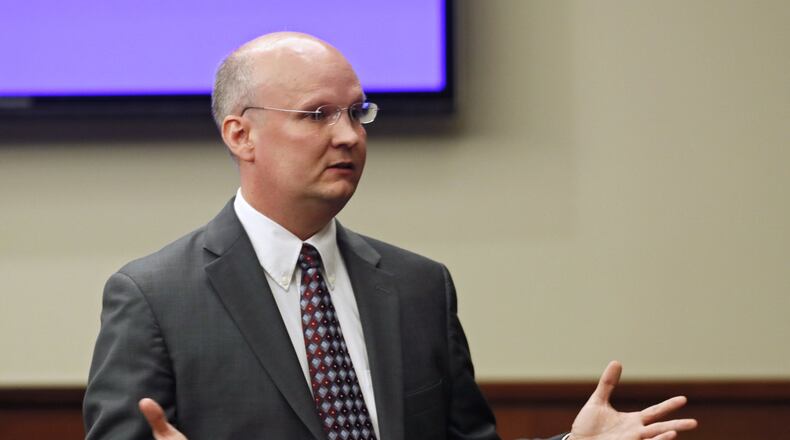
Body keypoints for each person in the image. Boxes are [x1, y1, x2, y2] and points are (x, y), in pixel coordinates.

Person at [83, 32, 697, 440]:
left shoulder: (419, 286)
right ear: (241, 135)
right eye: (318, 115)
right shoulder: (154, 296)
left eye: (358, 112)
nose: (349, 135)